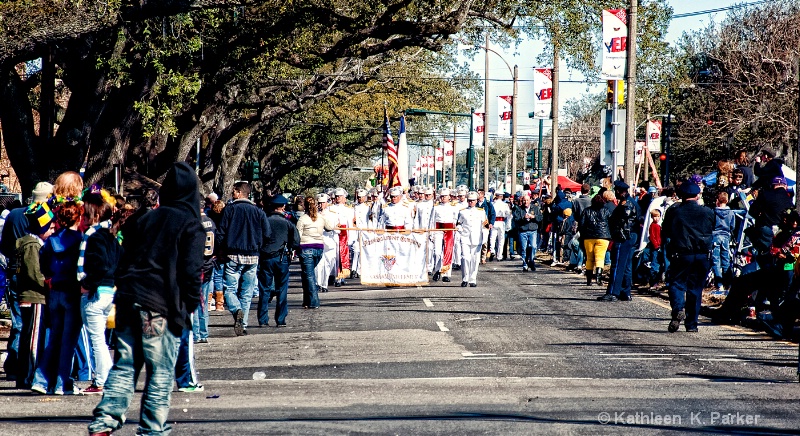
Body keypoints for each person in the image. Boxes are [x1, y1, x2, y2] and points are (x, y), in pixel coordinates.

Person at [88, 162, 205, 435]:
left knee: (125, 364)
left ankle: (104, 422)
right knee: (160, 369)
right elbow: (191, 273)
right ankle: (152, 428)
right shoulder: (190, 225)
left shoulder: (144, 219)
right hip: (160, 306)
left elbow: (123, 258)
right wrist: (186, 308)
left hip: (129, 298)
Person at [30, 201, 83, 395]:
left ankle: (42, 380)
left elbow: (43, 265)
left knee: (54, 338)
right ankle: (62, 383)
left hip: (55, 290)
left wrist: (50, 276)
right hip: (72, 290)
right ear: (78, 217)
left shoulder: (51, 241)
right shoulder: (80, 239)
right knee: (68, 340)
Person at [2, 182, 52, 382]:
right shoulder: (41, 218)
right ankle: (25, 367)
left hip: (14, 270)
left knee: (19, 324)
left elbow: (5, 245)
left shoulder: (14, 215)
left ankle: (15, 364)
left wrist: (14, 259)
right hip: (34, 276)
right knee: (31, 325)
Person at [77, 192, 122, 395]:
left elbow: (98, 265)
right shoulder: (111, 237)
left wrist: (86, 284)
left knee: (97, 339)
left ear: (93, 215)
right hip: (108, 291)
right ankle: (105, 378)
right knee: (100, 339)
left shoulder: (93, 237)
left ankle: (102, 379)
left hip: (94, 293)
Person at [217, 181, 271, 336]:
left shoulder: (230, 210)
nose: (232, 193)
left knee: (229, 289)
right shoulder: (258, 212)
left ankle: (236, 309)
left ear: (239, 192)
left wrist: (221, 249)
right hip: (253, 256)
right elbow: (267, 234)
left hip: (233, 255)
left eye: (234, 191)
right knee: (246, 293)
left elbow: (221, 232)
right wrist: (258, 245)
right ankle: (244, 324)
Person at [662, 181, 715, 333]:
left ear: (681, 195)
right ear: (697, 195)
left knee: (677, 283)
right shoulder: (707, 211)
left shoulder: (674, 211)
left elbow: (666, 231)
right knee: (695, 289)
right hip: (702, 254)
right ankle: (692, 324)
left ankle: (678, 308)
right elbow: (713, 228)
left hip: (682, 252)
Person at [16, 201, 56, 389]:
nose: (52, 230)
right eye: (49, 227)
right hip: (34, 297)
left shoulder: (34, 243)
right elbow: (34, 273)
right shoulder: (32, 245)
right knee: (32, 339)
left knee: (31, 337)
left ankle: (27, 373)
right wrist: (49, 283)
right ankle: (29, 374)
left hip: (34, 297)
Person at [258, 195, 300, 327]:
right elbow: (296, 242)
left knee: (264, 288)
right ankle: (280, 318)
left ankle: (263, 319)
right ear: (283, 207)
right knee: (282, 288)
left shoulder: (264, 221)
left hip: (265, 258)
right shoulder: (288, 223)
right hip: (282, 258)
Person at [599, 180, 640, 302]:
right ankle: (625, 292)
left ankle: (613, 292)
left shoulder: (626, 204)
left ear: (618, 191)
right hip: (629, 237)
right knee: (626, 265)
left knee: (617, 265)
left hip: (623, 237)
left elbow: (623, 221)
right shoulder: (630, 202)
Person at [296, 196, 336, 309]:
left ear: (305, 206)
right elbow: (329, 227)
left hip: (305, 248)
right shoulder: (321, 218)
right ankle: (306, 300)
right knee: (306, 274)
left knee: (309, 276)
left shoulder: (302, 219)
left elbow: (297, 236)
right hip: (319, 248)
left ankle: (314, 302)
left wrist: (295, 248)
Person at [579, 193, 612, 286]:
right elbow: (611, 223)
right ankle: (598, 278)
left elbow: (581, 225)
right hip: (603, 237)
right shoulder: (606, 210)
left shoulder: (586, 211)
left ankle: (589, 280)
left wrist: (582, 235)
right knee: (600, 258)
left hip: (588, 237)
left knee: (589, 258)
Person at [457, 192, 488, 287]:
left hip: (477, 237)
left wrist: (485, 238)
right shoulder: (462, 211)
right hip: (465, 237)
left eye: (473, 201)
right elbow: (458, 224)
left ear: (476, 201)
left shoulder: (481, 211)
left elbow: (485, 226)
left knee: (475, 259)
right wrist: (460, 230)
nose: (471, 202)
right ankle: (465, 278)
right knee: (465, 258)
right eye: (469, 200)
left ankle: (472, 279)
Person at [431, 188, 459, 282]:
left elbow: (455, 220)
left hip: (449, 229)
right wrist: (432, 233)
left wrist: (454, 230)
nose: (443, 198)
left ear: (449, 197)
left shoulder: (453, 207)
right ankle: (438, 270)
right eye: (442, 196)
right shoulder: (436, 207)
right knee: (437, 252)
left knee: (448, 251)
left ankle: (446, 274)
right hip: (438, 229)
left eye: (445, 196)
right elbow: (432, 220)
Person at [711, 192, 735, 295]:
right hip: (726, 236)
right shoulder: (731, 213)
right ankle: (728, 283)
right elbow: (732, 226)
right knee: (726, 259)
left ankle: (719, 284)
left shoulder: (713, 212)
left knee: (716, 260)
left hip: (715, 236)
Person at [512, 192, 543, 272]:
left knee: (533, 246)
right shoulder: (519, 209)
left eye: (527, 200)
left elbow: (540, 218)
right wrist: (523, 217)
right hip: (523, 231)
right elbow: (516, 219)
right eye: (524, 200)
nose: (526, 202)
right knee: (523, 248)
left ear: (530, 200)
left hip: (533, 230)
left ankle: (532, 260)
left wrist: (534, 217)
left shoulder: (535, 208)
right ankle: (525, 264)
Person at [490, 191, 511, 261]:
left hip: (494, 222)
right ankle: (499, 256)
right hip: (501, 222)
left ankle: (492, 250)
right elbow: (508, 215)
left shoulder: (492, 204)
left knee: (492, 237)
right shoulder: (504, 205)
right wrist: (508, 224)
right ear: (501, 197)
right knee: (501, 239)